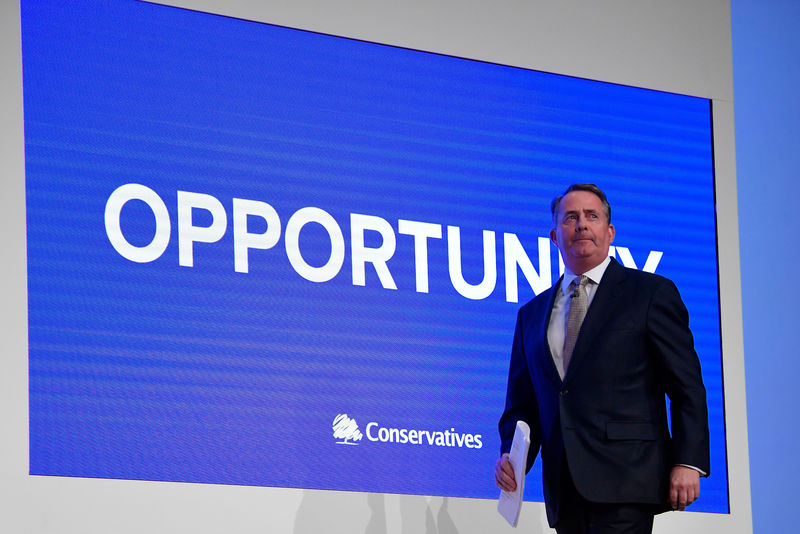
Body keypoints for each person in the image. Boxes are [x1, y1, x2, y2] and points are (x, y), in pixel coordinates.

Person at [495, 184, 710, 534]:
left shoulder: (651, 293)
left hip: (628, 479)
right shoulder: (530, 315)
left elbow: (687, 386)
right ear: (554, 235)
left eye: (592, 216)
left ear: (609, 232)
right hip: (564, 489)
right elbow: (522, 405)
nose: (581, 225)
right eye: (571, 218)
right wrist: (511, 456)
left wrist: (688, 461)